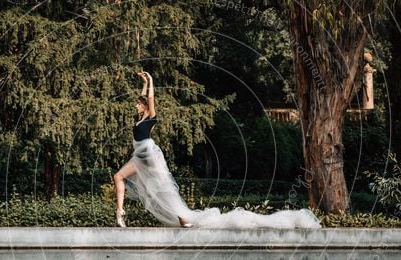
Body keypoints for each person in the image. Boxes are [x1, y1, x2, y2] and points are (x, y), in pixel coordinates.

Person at [112, 72, 322, 229]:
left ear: (145, 108)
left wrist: (150, 81)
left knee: (162, 187)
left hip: (148, 154)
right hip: (139, 155)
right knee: (119, 177)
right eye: (137, 105)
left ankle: (183, 216)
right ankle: (120, 212)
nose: (136, 107)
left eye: (138, 105)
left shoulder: (151, 118)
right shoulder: (140, 119)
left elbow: (149, 100)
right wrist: (143, 82)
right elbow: (142, 99)